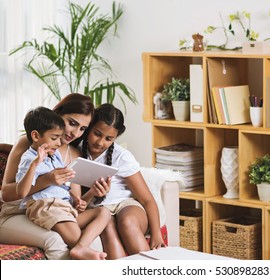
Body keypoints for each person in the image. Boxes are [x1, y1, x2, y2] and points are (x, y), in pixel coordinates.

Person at [0, 93, 110, 259]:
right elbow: (6, 194)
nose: (75, 133)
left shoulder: (74, 154)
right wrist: (47, 180)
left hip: (54, 213)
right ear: (57, 114)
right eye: (72, 123)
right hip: (15, 214)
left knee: (92, 242)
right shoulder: (29, 143)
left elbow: (71, 204)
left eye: (82, 129)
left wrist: (92, 193)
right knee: (56, 241)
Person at [79, 103, 165, 259]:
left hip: (126, 205)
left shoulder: (122, 156)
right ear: (89, 127)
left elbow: (147, 199)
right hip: (100, 209)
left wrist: (156, 234)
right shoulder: (76, 150)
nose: (100, 142)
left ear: (115, 138)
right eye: (97, 134)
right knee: (107, 226)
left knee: (127, 221)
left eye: (108, 138)